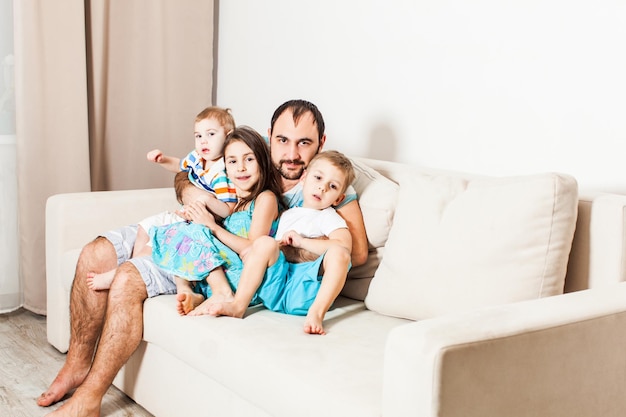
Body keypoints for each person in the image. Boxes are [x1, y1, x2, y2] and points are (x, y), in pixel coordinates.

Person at [38, 99, 368, 416]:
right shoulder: (251, 155)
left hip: (213, 251)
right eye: (283, 140)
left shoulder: (326, 184)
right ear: (270, 138)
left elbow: (352, 251)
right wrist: (195, 193)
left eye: (304, 143)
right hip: (191, 226)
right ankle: (76, 366)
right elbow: (189, 168)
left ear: (321, 143)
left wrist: (288, 244)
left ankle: (89, 398)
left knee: (127, 277)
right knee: (95, 253)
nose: (292, 153)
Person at [206, 150, 355, 335]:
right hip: (274, 287)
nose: (322, 188)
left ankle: (316, 314)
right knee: (265, 242)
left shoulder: (328, 217)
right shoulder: (287, 213)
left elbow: (344, 246)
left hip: (305, 290)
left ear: (339, 198)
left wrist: (301, 242)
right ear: (304, 177)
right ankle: (238, 305)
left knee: (340, 253)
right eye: (318, 178)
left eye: (332, 186)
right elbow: (269, 249)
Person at [150, 126, 285, 315]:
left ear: (262, 162)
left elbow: (253, 249)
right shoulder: (231, 200)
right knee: (180, 228)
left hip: (245, 278)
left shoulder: (265, 198)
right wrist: (195, 216)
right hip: (222, 270)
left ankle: (223, 292)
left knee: (197, 231)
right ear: (225, 168)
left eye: (249, 159)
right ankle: (188, 290)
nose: (241, 168)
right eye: (232, 161)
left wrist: (212, 227)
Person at [85, 171, 211, 291]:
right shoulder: (195, 167)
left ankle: (117, 274)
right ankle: (133, 263)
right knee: (145, 225)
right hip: (176, 216)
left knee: (153, 245)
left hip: (186, 226)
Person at [147, 105, 238, 220]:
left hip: (206, 219)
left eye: (211, 134)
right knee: (144, 228)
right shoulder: (196, 157)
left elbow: (228, 210)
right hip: (188, 210)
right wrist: (162, 159)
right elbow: (179, 166)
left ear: (228, 137)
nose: (203, 141)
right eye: (198, 136)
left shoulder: (222, 172)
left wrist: (205, 200)